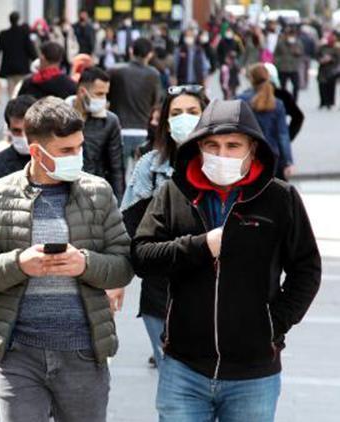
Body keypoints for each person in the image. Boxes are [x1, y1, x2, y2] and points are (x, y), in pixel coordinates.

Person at [132, 99, 321, 422]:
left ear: (252, 149)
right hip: (184, 368)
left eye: (233, 146)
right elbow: (143, 257)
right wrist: (201, 246)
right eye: (212, 145)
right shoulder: (174, 192)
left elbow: (306, 269)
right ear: (199, 146)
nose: (222, 154)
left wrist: (275, 324)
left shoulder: (279, 198)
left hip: (254, 372)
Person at [0, 96, 134, 422]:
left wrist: (85, 264)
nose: (77, 157)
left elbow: (123, 265)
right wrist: (17, 264)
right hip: (18, 353)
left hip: (84, 351)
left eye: (79, 147)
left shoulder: (98, 192)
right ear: (37, 152)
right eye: (66, 151)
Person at [121, 84, 209, 368]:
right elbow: (130, 227)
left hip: (214, 291)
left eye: (193, 112)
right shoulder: (150, 165)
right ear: (166, 121)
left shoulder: (224, 164)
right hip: (161, 292)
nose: (185, 118)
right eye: (177, 112)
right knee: (173, 377)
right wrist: (116, 279)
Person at [67, 67, 124, 200]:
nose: (103, 99)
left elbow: (116, 167)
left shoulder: (110, 121)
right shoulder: (59, 117)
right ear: (82, 92)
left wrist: (119, 204)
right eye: (99, 94)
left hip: (94, 194)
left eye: (105, 94)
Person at [108, 37, 161, 173]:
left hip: (118, 130)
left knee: (117, 175)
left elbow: (106, 97)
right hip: (142, 131)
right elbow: (156, 102)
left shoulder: (115, 71)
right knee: (141, 178)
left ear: (131, 51)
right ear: (150, 54)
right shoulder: (153, 74)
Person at [237, 64, 294, 181]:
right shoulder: (277, 103)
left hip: (248, 156)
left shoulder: (240, 100)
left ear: (251, 79)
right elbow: (283, 135)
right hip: (272, 156)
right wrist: (288, 162)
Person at [0, 11, 38, 98]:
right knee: (21, 91)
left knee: (11, 93)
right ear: (18, 20)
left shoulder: (3, 34)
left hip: (9, 68)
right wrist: (36, 60)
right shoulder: (24, 33)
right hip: (22, 68)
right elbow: (30, 49)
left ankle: (12, 109)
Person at [263, 62, 304, 141]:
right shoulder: (283, 95)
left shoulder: (246, 96)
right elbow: (298, 117)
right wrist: (287, 136)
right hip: (276, 140)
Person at [274, 27, 304, 101]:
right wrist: (279, 62)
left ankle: (294, 101)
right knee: (282, 86)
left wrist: (298, 53)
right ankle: (283, 101)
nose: (291, 37)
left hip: (294, 68)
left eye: (292, 35)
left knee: (296, 86)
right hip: (283, 68)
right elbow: (275, 54)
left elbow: (301, 53)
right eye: (289, 35)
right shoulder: (280, 43)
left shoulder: (298, 43)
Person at [316, 33, 339, 110]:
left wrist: (331, 59)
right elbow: (317, 55)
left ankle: (329, 102)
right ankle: (322, 102)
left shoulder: (336, 49)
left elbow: (338, 59)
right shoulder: (322, 48)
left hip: (332, 70)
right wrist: (321, 60)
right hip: (322, 69)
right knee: (322, 86)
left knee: (330, 87)